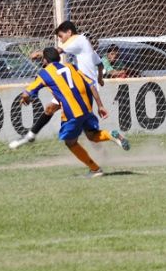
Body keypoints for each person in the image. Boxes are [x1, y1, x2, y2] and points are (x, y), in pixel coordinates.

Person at [20, 47, 129, 177]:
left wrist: (26, 99)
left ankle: (95, 169)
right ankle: (111, 135)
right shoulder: (72, 67)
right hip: (86, 107)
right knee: (92, 135)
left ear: (45, 60)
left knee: (70, 142)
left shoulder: (44, 73)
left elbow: (26, 93)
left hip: (71, 113)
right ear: (58, 58)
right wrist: (100, 105)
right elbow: (91, 85)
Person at [10, 20, 104, 149]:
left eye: (61, 36)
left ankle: (101, 151)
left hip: (83, 87)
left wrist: (39, 53)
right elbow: (100, 64)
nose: (61, 39)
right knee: (50, 109)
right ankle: (31, 135)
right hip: (77, 86)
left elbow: (56, 52)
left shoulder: (76, 40)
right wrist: (100, 78)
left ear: (69, 32)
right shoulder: (84, 45)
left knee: (85, 128)